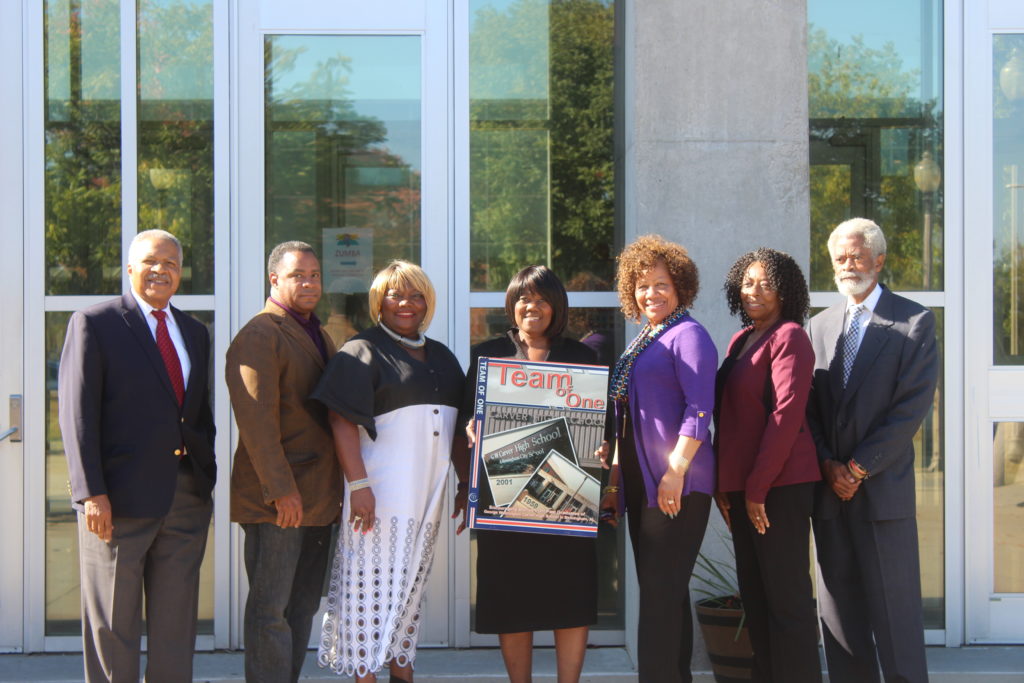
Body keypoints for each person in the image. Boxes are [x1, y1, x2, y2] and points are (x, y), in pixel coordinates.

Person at [58, 229, 216, 682]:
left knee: (176, 628)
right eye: (150, 261)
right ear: (129, 269)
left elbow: (198, 414)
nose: (160, 270)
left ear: (180, 273)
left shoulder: (193, 332)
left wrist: (206, 477)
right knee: (114, 627)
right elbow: (77, 415)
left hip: (185, 499)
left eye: (170, 263)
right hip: (118, 504)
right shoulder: (96, 323)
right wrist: (91, 493)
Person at [312, 261, 467, 683]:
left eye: (416, 295)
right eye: (396, 295)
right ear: (379, 301)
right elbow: (341, 421)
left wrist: (466, 484)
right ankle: (365, 673)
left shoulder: (443, 356)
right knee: (370, 591)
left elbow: (455, 428)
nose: (407, 304)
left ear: (427, 303)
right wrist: (358, 484)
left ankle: (402, 669)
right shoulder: (361, 350)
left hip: (427, 495)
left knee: (409, 591)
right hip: (379, 495)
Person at [806, 218, 938, 683]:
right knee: (841, 628)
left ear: (878, 260)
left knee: (896, 627)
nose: (847, 266)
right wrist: (827, 464)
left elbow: (910, 410)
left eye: (856, 256)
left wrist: (858, 468)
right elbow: (809, 413)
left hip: (882, 498)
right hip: (829, 498)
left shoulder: (914, 322)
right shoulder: (816, 327)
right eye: (839, 258)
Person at [461, 265, 598, 683]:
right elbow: (467, 418)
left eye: (541, 299)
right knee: (511, 599)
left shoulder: (583, 357)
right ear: (511, 304)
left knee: (570, 598)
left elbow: (599, 427)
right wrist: (471, 428)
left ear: (557, 306)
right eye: (523, 298)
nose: (531, 307)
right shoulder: (486, 355)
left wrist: (603, 448)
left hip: (567, 503)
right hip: (506, 504)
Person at [597, 235, 716, 683]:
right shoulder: (647, 337)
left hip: (675, 484)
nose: (652, 294)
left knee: (659, 600)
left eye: (661, 284)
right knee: (664, 595)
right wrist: (614, 482)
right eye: (642, 285)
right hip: (643, 485)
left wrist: (675, 472)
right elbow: (624, 416)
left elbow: (699, 410)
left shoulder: (690, 335)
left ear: (681, 286)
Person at [226, 241, 342, 682]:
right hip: (279, 502)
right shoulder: (261, 334)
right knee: (270, 610)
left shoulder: (317, 330)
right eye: (298, 275)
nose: (309, 282)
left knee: (302, 606)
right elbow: (257, 424)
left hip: (318, 498)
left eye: (314, 274)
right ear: (274, 279)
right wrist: (281, 491)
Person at [714, 248, 821, 683]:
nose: (754, 291)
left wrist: (757, 488)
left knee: (787, 602)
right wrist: (727, 486)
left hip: (780, 487)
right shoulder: (741, 341)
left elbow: (786, 417)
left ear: (785, 291)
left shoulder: (791, 337)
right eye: (747, 282)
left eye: (766, 283)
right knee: (756, 599)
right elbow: (731, 419)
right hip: (743, 490)